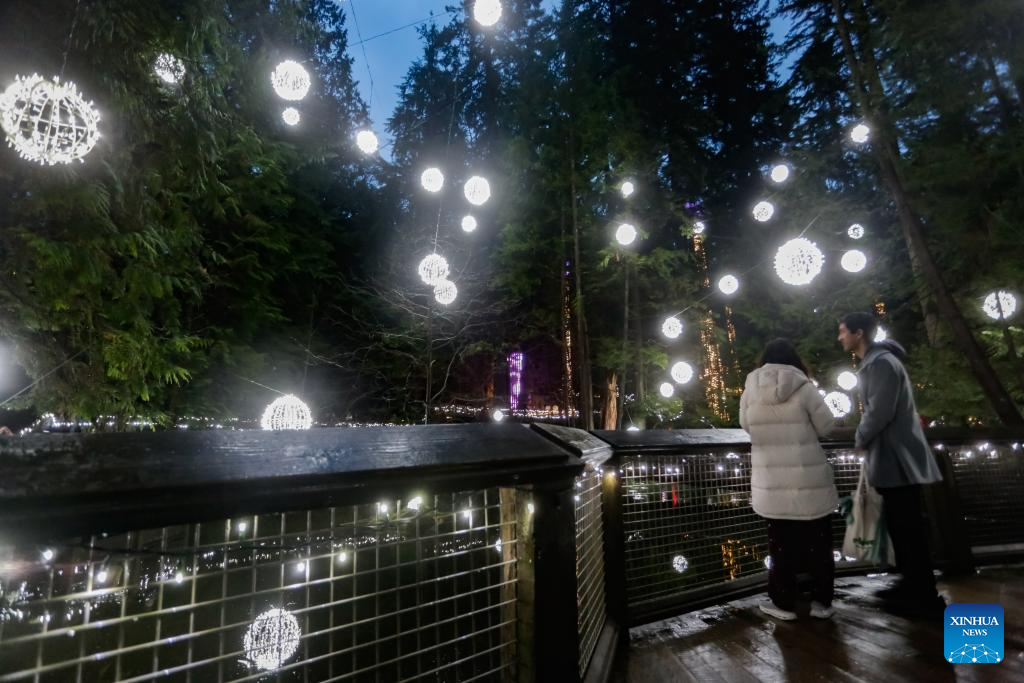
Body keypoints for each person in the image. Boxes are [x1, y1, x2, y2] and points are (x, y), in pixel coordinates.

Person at [837, 312, 945, 616]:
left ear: (859, 333)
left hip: (898, 457)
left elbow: (879, 411)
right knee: (902, 524)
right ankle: (911, 583)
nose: (840, 337)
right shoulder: (881, 362)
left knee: (907, 526)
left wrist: (860, 437)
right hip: (896, 456)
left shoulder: (881, 364)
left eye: (843, 331)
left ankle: (922, 593)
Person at [740, 338, 838, 621]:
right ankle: (822, 602)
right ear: (794, 359)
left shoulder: (751, 387)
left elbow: (745, 424)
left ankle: (783, 603)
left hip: (771, 481)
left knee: (780, 545)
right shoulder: (804, 385)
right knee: (818, 543)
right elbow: (826, 425)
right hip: (809, 480)